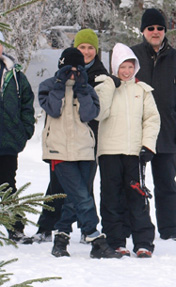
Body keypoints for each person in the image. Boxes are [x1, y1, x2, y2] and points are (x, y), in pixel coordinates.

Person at [26, 28, 108, 245]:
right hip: (60, 142)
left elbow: (95, 111)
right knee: (57, 187)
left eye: (91, 47)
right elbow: (52, 108)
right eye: (82, 47)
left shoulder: (100, 75)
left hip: (87, 140)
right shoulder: (54, 82)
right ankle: (48, 227)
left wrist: (83, 87)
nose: (87, 51)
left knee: (83, 188)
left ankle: (81, 229)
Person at [39, 48, 119, 259]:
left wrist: (83, 89)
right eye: (69, 68)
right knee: (83, 198)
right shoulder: (48, 86)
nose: (73, 73)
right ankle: (95, 238)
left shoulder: (86, 88)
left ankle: (61, 239)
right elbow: (53, 110)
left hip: (84, 149)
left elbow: (89, 115)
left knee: (74, 200)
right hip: (59, 150)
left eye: (77, 69)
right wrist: (60, 85)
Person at [132, 7, 176, 242]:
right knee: (134, 183)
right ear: (143, 31)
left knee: (166, 183)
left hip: (166, 132)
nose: (155, 32)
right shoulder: (132, 56)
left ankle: (170, 230)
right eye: (151, 28)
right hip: (136, 132)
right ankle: (136, 228)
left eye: (159, 28)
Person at [95, 43, 160, 258]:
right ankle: (115, 240)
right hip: (109, 151)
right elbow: (99, 114)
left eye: (130, 67)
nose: (127, 71)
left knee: (137, 198)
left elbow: (152, 119)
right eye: (123, 67)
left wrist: (148, 145)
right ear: (115, 67)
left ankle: (143, 242)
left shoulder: (142, 90)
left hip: (134, 153)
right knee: (111, 198)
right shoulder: (103, 86)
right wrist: (109, 86)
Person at [0, 31, 35, 242]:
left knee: (7, 186)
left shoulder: (15, 75)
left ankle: (15, 228)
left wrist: (25, 130)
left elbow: (27, 105)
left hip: (8, 141)